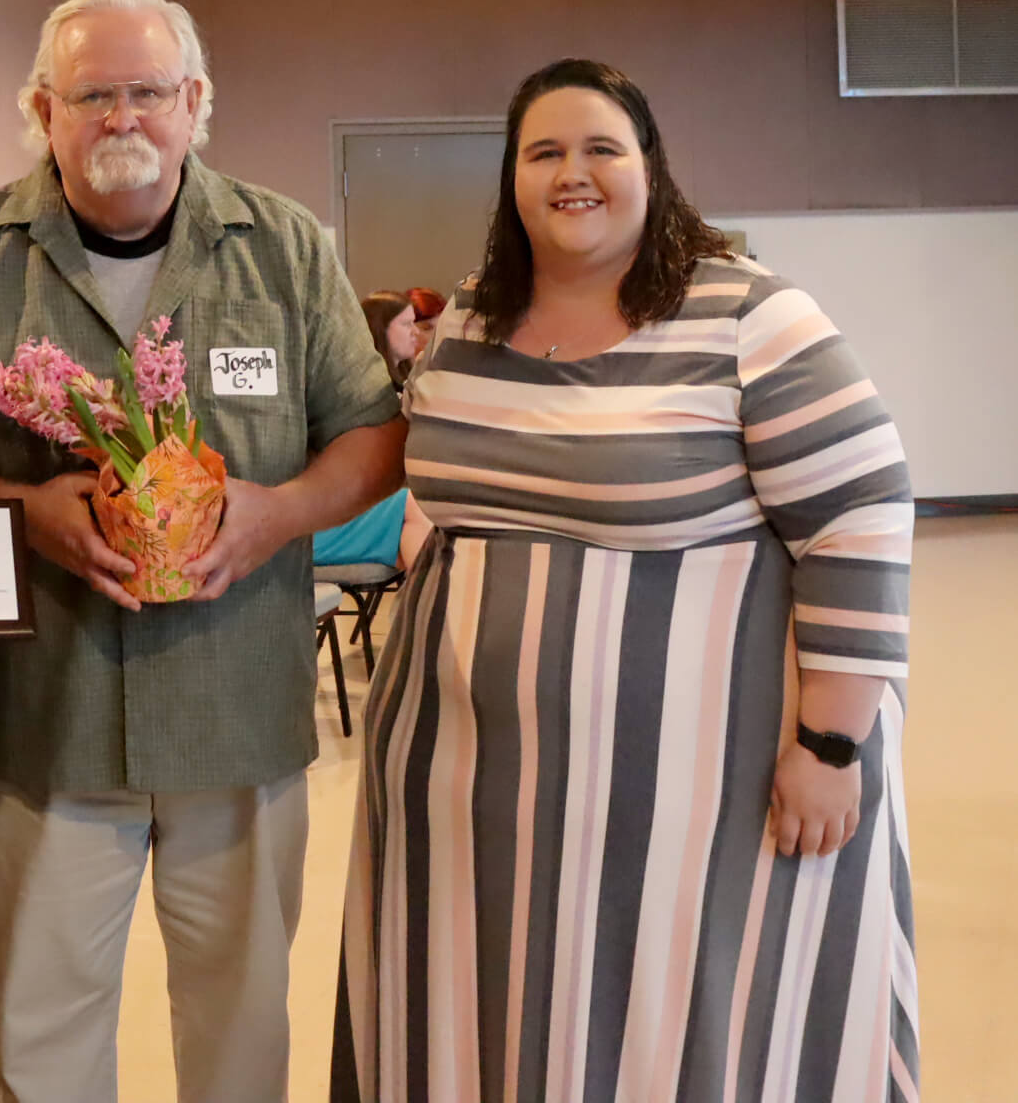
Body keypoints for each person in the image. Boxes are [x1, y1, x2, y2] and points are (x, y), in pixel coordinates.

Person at [333, 59, 917, 1102]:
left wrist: (833, 742)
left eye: (602, 147)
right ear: (511, 179)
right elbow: (444, 500)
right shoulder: (469, 321)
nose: (574, 172)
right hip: (469, 780)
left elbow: (860, 517)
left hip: (699, 791)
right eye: (544, 151)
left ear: (652, 168)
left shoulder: (751, 315)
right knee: (489, 1012)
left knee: (683, 1024)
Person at [0, 0, 405, 1103]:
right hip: (49, 721)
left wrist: (278, 514)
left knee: (239, 1025)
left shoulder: (283, 250)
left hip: (239, 716)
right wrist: (24, 511)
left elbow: (371, 433)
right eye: (94, 95)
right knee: (39, 1032)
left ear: (195, 101)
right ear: (44, 109)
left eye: (149, 92)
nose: (124, 118)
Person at [315, 291, 433, 570]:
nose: (415, 333)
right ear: (380, 328)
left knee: (423, 526)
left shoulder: (404, 381)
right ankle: (438, 608)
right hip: (332, 503)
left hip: (360, 496)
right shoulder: (356, 389)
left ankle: (432, 606)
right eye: (406, 325)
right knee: (418, 508)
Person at [361, 289, 421, 389]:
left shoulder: (408, 379)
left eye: (413, 322)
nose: (416, 331)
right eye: (406, 324)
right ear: (380, 328)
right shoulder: (368, 387)